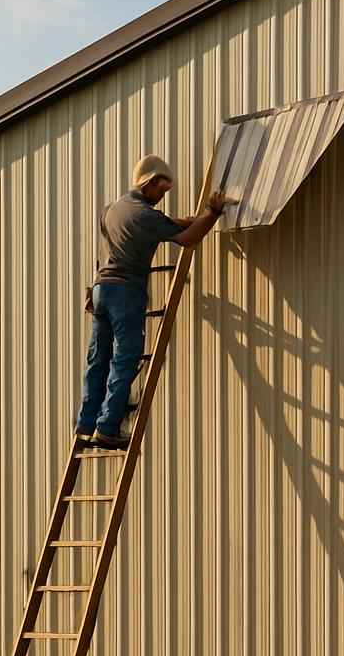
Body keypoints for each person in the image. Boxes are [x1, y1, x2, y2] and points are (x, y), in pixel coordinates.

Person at [75, 155, 232, 449]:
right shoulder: (146, 216)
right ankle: (107, 427)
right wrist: (212, 214)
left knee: (98, 360)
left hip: (100, 291)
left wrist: (195, 217)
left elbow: (169, 223)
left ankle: (86, 424)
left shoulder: (113, 209)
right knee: (125, 358)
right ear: (147, 183)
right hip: (125, 293)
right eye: (161, 189)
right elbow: (187, 238)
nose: (162, 196)